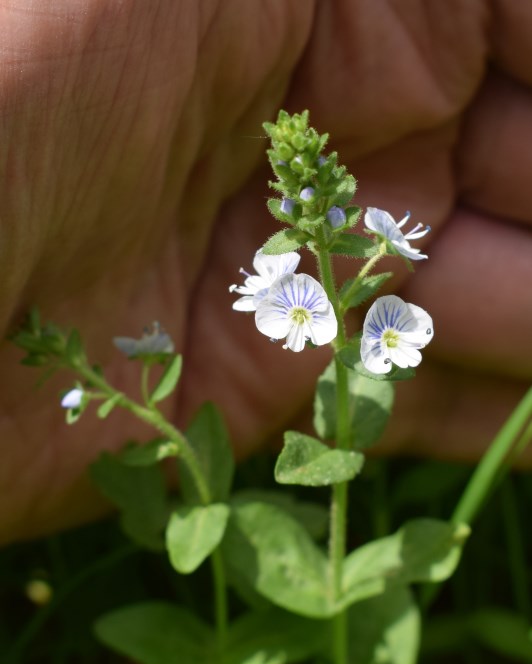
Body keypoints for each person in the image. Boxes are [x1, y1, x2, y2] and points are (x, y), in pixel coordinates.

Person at [0, 0, 530, 545]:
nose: (299, 308)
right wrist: (305, 308)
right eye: (296, 308)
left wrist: (354, 292)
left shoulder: (343, 258)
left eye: (300, 308)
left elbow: (325, 303)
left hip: (351, 318)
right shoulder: (295, 283)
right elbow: (307, 306)